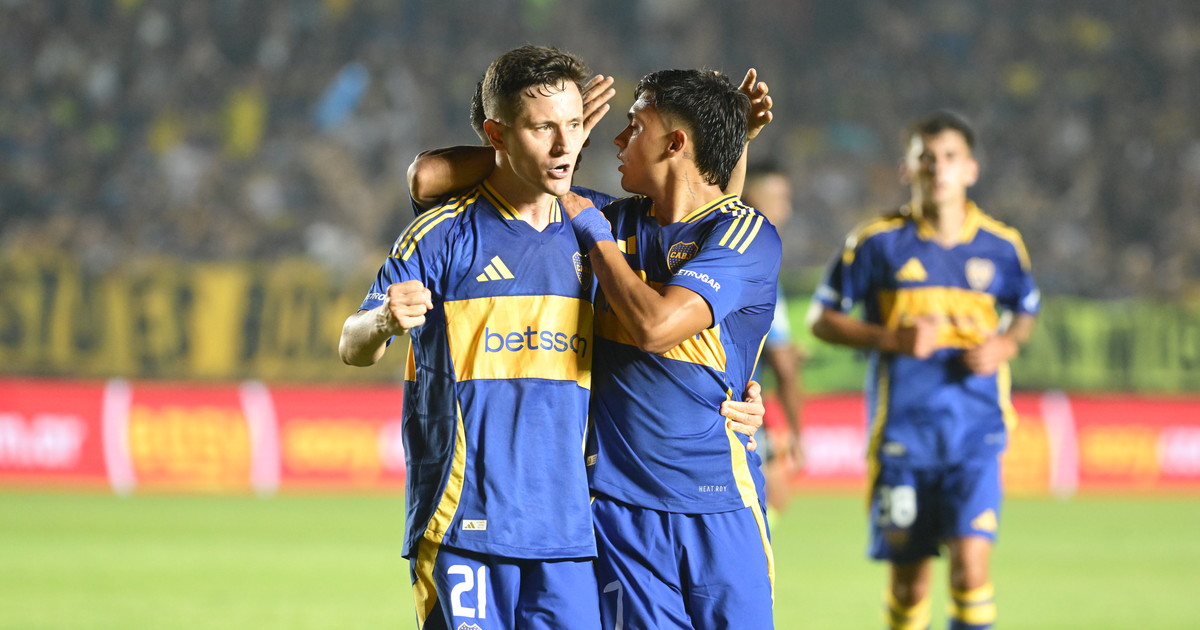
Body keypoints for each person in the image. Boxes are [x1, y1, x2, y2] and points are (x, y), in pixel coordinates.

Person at [338, 45, 762, 630]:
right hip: (463, 523)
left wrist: (734, 384)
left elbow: (698, 221)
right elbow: (353, 344)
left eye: (576, 126)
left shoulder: (601, 229)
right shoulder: (442, 234)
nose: (567, 145)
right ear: (497, 133)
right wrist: (385, 319)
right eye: (544, 128)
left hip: (569, 535)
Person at [561, 68, 781, 629]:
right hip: (620, 511)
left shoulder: (746, 235)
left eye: (634, 126)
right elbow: (432, 180)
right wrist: (555, 138)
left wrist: (595, 238)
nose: (616, 140)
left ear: (675, 143)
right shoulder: (610, 219)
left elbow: (656, 328)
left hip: (720, 504)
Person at [807, 110, 1040, 630]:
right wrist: (892, 339)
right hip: (903, 438)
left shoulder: (1002, 246)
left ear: (971, 169)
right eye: (926, 158)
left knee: (971, 571)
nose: (938, 168)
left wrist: (1005, 344)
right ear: (906, 169)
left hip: (975, 433)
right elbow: (821, 320)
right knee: (909, 585)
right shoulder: (876, 243)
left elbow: (1026, 309)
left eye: (950, 157)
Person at [742, 161, 806, 517]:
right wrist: (795, 433)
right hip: (740, 416)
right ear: (752, 196)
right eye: (780, 197)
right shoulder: (759, 266)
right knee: (769, 506)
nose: (787, 209)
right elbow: (782, 363)